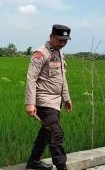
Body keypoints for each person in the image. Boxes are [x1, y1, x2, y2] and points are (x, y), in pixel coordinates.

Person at [25, 24, 73, 170]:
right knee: (56, 135)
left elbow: (62, 78)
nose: (62, 43)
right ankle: (61, 167)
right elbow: (31, 78)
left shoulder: (59, 53)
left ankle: (33, 162)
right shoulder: (40, 53)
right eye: (60, 40)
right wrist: (30, 103)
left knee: (46, 133)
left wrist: (66, 98)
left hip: (55, 102)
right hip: (44, 101)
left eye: (65, 41)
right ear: (51, 37)